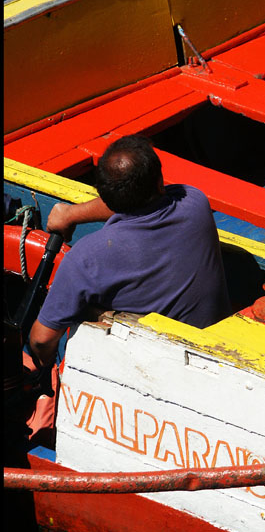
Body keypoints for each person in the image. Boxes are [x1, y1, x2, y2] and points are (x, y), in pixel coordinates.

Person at [29, 134, 231, 369]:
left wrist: (44, 368)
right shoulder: (195, 203)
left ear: (103, 194)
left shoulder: (86, 258)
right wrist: (71, 214)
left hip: (148, 370)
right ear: (159, 182)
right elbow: (151, 195)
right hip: (213, 353)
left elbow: (42, 340)